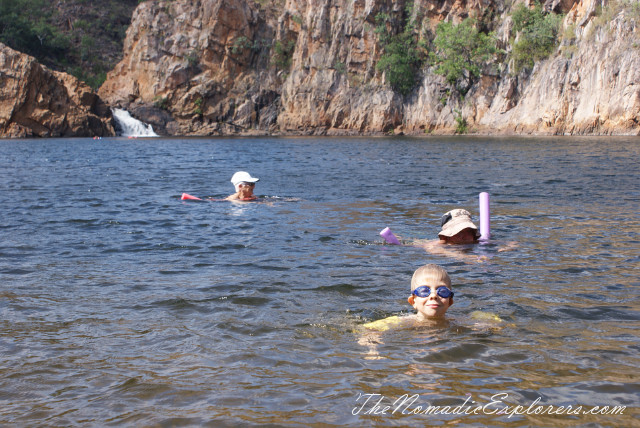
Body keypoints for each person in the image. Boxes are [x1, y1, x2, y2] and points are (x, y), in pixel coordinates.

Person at [358, 264, 454, 358]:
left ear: (450, 301)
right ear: (413, 302)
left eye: (442, 291)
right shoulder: (406, 321)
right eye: (424, 291)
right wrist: (373, 350)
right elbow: (367, 329)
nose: (434, 295)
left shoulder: (454, 321)